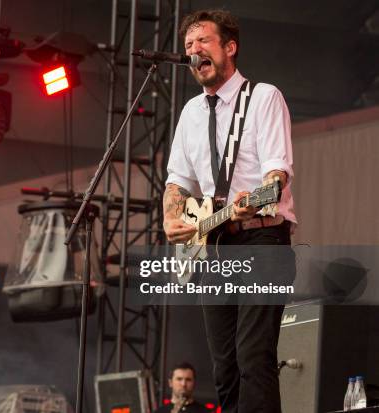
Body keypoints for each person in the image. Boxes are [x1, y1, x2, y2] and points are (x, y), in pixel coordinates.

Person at [163, 9, 296, 413]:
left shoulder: (264, 97)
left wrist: (256, 197)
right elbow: (177, 181)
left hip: (262, 236)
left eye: (202, 41)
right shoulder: (189, 113)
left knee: (254, 358)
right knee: (224, 367)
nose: (193, 50)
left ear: (230, 47)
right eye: (188, 46)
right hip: (216, 244)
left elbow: (277, 175)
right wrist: (171, 217)